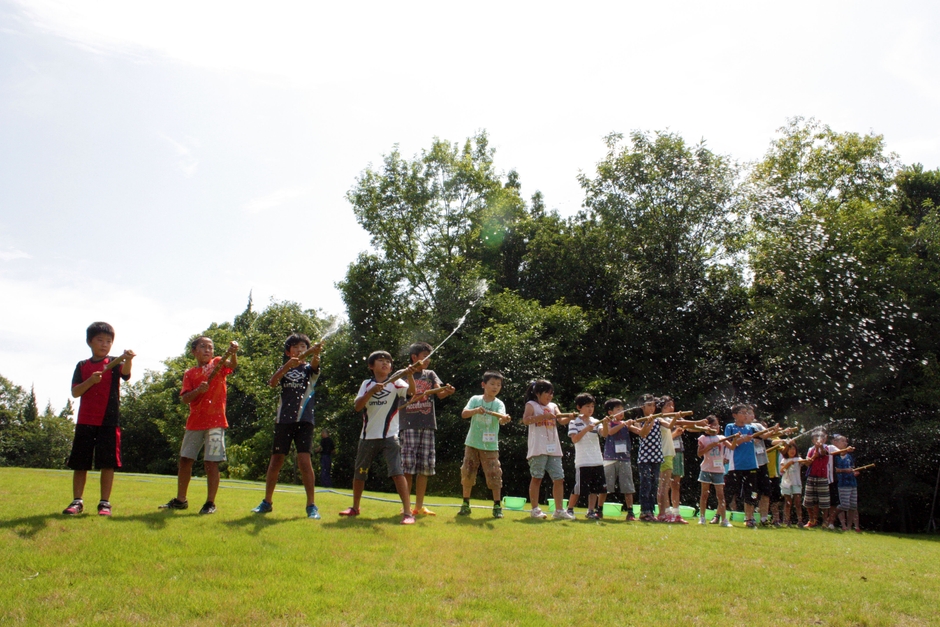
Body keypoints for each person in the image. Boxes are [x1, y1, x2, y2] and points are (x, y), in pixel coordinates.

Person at [62, 322, 134, 516]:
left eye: (109, 341)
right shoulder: (82, 366)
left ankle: (104, 503)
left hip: (109, 421)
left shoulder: (114, 363)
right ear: (89, 342)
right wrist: (90, 381)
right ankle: (77, 501)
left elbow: (126, 374)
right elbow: (76, 392)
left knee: (107, 463)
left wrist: (128, 359)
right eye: (100, 340)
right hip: (85, 420)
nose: (104, 344)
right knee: (80, 463)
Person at [339, 350, 419, 524]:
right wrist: (371, 392)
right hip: (367, 436)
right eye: (381, 361)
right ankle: (355, 507)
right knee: (360, 473)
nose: (385, 364)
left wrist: (410, 376)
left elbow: (412, 393)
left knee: (397, 473)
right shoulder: (366, 384)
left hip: (390, 436)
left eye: (388, 362)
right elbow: (358, 407)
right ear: (371, 366)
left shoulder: (396, 383)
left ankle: (407, 513)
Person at [160, 336, 238, 515]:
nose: (208, 350)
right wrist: (198, 391)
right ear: (194, 351)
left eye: (210, 347)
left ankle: (210, 503)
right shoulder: (190, 373)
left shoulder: (218, 362)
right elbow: (185, 399)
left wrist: (233, 353)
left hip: (216, 422)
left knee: (211, 463)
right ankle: (181, 500)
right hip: (195, 422)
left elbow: (232, 365)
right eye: (203, 347)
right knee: (185, 460)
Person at [251, 334, 323, 519]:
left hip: (305, 420)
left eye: (303, 346)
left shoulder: (309, 369)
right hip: (283, 420)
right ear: (288, 351)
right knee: (276, 461)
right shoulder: (285, 369)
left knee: (304, 461)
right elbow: (272, 383)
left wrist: (316, 354)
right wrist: (285, 367)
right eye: (296, 347)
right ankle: (267, 502)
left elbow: (315, 366)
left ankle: (311, 506)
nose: (300, 350)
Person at [399, 341, 455, 516]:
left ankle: (419, 506)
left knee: (424, 468)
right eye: (425, 357)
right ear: (414, 357)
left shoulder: (430, 374)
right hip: (408, 426)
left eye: (429, 357)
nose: (428, 361)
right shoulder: (402, 374)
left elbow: (440, 394)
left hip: (428, 425)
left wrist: (448, 390)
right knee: (407, 468)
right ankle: (406, 507)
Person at [458, 370, 510, 519]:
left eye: (498, 385)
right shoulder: (475, 399)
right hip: (472, 443)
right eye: (492, 384)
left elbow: (501, 419)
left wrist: (504, 419)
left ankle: (497, 506)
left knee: (494, 474)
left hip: (490, 446)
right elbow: (464, 414)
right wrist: (475, 410)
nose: (495, 387)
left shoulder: (499, 404)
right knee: (467, 472)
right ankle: (465, 504)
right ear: (483, 385)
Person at [522, 379, 574, 520]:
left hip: (554, 448)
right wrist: (543, 416)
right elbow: (526, 420)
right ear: (538, 393)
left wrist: (569, 417)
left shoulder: (553, 406)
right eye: (547, 393)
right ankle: (535, 509)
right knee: (537, 478)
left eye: (552, 394)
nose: (550, 397)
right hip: (538, 448)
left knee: (559, 478)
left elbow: (561, 420)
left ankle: (559, 510)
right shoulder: (531, 404)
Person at [566, 393, 608, 520]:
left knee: (595, 488)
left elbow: (604, 434)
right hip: (583, 461)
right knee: (578, 488)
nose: (590, 409)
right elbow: (575, 439)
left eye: (592, 406)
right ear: (579, 407)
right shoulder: (574, 422)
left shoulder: (596, 421)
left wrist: (605, 424)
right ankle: (569, 509)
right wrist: (585, 429)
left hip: (597, 460)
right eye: (587, 406)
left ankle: (591, 511)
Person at [803, 430, 854, 528]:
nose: (819, 440)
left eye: (822, 438)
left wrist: (847, 449)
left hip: (827, 478)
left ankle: (827, 522)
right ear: (813, 440)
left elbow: (826, 452)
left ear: (825, 439)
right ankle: (813, 520)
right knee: (811, 501)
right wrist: (813, 456)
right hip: (813, 477)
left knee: (826, 502)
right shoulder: (811, 449)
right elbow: (808, 463)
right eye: (817, 438)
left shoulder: (829, 447)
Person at [723, 403, 760, 528]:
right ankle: (721, 516)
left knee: (750, 493)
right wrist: (742, 440)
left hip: (751, 465)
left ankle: (749, 518)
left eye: (746, 413)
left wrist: (774, 431)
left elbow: (763, 436)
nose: (745, 415)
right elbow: (729, 443)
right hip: (736, 465)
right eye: (742, 413)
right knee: (730, 491)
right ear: (735, 415)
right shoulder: (730, 427)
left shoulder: (751, 428)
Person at [600, 398, 637, 521]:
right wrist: (623, 424)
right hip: (610, 458)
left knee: (628, 487)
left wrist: (644, 423)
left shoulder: (626, 424)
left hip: (624, 459)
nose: (622, 412)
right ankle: (599, 510)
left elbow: (641, 432)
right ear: (610, 412)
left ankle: (630, 512)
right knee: (605, 487)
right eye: (618, 410)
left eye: (622, 409)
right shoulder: (607, 423)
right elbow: (610, 432)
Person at [696, 415, 732, 527]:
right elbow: (699, 453)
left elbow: (732, 447)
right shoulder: (702, 438)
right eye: (713, 425)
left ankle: (724, 519)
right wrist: (710, 446)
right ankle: (702, 517)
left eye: (717, 425)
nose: (716, 427)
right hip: (706, 469)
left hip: (718, 470)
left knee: (720, 495)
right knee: (704, 494)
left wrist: (736, 439)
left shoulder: (721, 438)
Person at [832, 434, 861, 532]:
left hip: (852, 483)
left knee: (853, 506)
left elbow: (852, 467)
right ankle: (832, 520)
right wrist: (845, 470)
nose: (845, 443)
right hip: (842, 483)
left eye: (846, 441)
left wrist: (855, 471)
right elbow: (835, 470)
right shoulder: (835, 456)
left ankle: (849, 527)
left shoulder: (849, 456)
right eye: (843, 441)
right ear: (835, 443)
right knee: (844, 505)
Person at [779, 441, 806, 528]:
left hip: (796, 483)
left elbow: (806, 462)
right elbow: (782, 470)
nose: (792, 451)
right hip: (786, 483)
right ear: (786, 451)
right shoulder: (784, 460)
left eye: (794, 449)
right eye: (790, 449)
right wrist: (789, 464)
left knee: (798, 502)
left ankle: (800, 521)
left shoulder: (798, 459)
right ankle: (787, 520)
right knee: (788, 502)